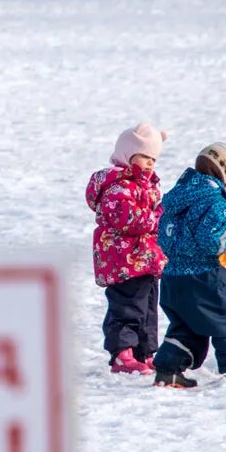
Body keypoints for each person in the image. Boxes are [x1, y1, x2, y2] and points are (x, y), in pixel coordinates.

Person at [150, 143, 226, 388]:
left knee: (185, 327)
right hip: (202, 277)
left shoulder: (179, 197)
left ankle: (168, 371)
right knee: (224, 321)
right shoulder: (215, 201)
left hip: (172, 277)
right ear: (223, 174)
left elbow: (164, 235)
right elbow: (211, 240)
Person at [86, 123, 168, 375]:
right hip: (124, 261)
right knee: (127, 307)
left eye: (153, 158)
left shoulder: (147, 186)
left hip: (146, 258)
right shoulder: (117, 186)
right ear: (127, 153)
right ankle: (122, 353)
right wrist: (157, 218)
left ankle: (145, 352)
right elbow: (128, 218)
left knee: (147, 308)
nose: (150, 163)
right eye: (144, 156)